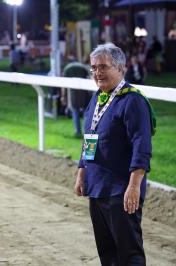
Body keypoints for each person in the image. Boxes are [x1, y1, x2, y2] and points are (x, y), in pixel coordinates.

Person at [74, 43, 155, 266]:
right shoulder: (97, 98)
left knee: (129, 254)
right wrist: (82, 172)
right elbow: (89, 136)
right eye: (93, 68)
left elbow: (142, 147)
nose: (97, 73)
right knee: (107, 253)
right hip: (97, 186)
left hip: (121, 189)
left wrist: (134, 186)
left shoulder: (133, 101)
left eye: (103, 67)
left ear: (120, 68)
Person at [62, 57, 92, 138]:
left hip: (73, 93)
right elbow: (90, 78)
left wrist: (63, 96)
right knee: (86, 113)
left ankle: (78, 131)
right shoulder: (84, 67)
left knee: (75, 112)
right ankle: (87, 131)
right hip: (84, 92)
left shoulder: (67, 69)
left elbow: (63, 84)